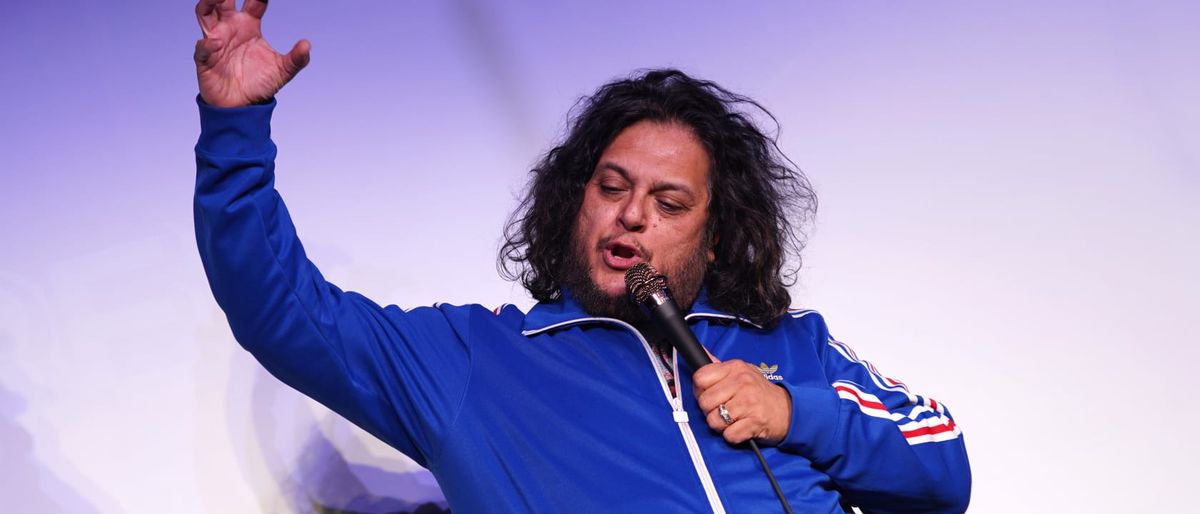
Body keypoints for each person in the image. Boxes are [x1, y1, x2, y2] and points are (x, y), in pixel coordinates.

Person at [192, 1, 972, 512]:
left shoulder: (792, 345)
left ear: (717, 234)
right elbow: (283, 311)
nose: (632, 214)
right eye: (611, 187)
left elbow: (942, 467)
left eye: (670, 204)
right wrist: (236, 131)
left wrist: (796, 412)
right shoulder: (480, 359)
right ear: (576, 201)